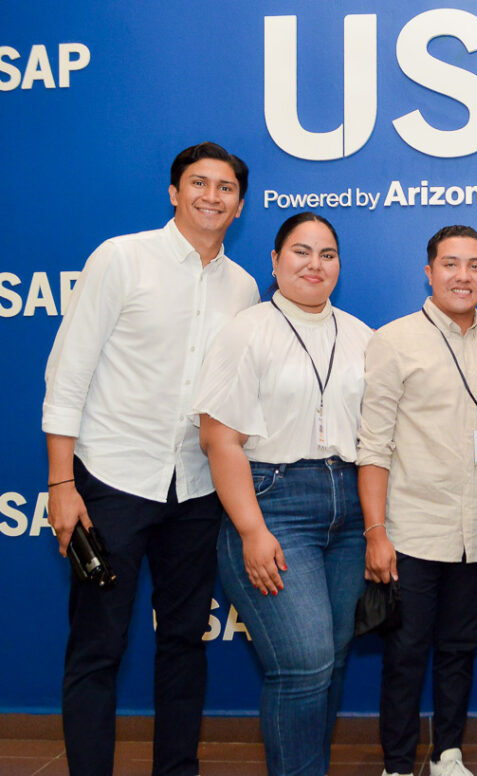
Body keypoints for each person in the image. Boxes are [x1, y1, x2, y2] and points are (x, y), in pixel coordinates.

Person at [42, 142, 258, 776]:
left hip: (195, 489)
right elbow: (69, 371)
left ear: (239, 205)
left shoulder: (243, 287)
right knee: (98, 648)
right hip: (111, 479)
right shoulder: (121, 258)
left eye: (224, 188)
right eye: (199, 183)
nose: (211, 196)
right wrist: (61, 481)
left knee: (185, 644)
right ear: (174, 191)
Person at [194, 212, 372, 775]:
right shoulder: (248, 330)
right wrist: (251, 529)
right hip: (275, 504)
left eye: (327, 254)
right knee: (302, 661)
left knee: (332, 659)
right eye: (301, 252)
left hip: (348, 504)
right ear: (274, 262)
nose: (314, 264)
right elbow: (219, 437)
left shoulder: (361, 335)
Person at [357, 225, 477, 776]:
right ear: (429, 271)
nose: (462, 276)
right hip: (412, 529)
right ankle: (397, 764)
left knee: (459, 651)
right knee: (405, 655)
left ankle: (447, 753)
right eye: (450, 264)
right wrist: (376, 532)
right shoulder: (394, 340)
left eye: (474, 266)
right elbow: (372, 446)